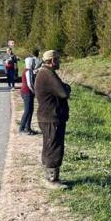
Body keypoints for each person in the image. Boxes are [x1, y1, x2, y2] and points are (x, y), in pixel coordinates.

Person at [36, 50, 70, 189]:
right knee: (54, 147)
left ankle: (50, 176)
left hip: (48, 116)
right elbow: (63, 92)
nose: (60, 61)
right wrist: (67, 87)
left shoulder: (44, 72)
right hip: (51, 117)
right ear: (52, 61)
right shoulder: (48, 74)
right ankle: (52, 180)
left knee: (50, 145)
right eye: (58, 59)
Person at [19, 56, 38, 135]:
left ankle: (28, 128)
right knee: (27, 111)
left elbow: (32, 73)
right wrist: (34, 91)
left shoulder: (27, 70)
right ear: (31, 63)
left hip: (26, 92)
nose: (34, 64)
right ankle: (22, 128)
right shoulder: (28, 71)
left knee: (30, 110)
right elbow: (30, 83)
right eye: (33, 62)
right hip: (27, 92)